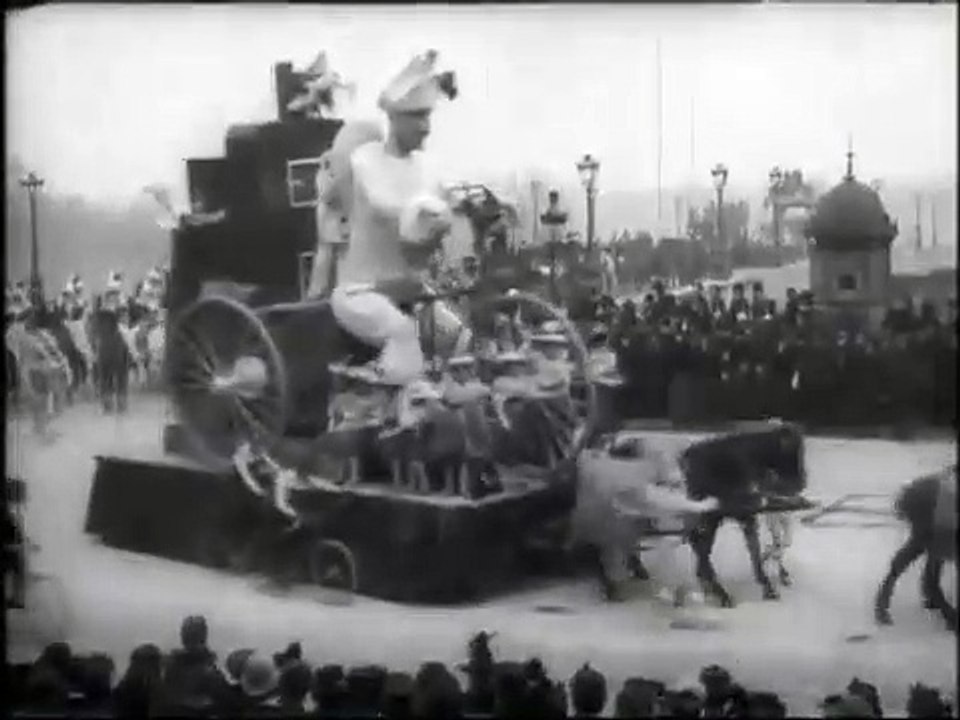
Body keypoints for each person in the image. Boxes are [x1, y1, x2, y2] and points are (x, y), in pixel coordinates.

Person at [327, 50, 462, 387]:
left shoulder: (426, 167)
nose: (426, 127)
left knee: (457, 338)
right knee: (404, 336)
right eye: (417, 116)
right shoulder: (366, 161)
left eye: (428, 115)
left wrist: (475, 205)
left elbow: (446, 199)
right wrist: (434, 211)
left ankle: (448, 405)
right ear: (394, 118)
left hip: (409, 292)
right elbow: (389, 208)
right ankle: (374, 403)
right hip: (362, 292)